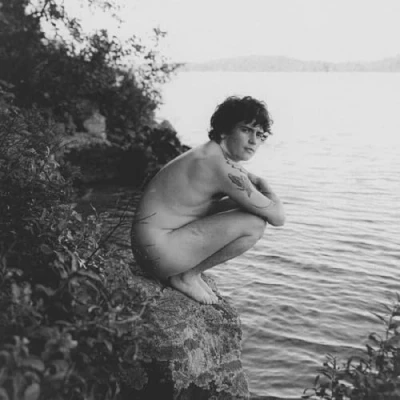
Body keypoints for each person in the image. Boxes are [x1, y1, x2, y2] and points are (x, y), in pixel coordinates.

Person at [131, 96, 285, 305]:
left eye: (260, 134)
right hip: (159, 254)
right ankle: (186, 276)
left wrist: (249, 196)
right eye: (246, 130)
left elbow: (203, 207)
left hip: (149, 250)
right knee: (255, 224)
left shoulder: (210, 154)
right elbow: (278, 218)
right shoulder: (222, 166)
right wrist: (266, 187)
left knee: (244, 208)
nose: (254, 141)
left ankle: (187, 273)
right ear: (224, 130)